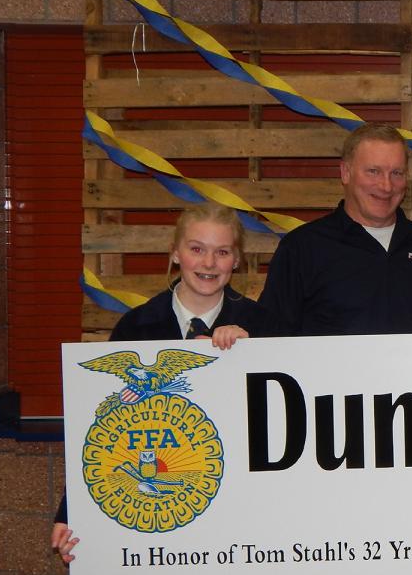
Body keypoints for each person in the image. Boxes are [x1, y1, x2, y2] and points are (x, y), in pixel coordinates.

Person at [52, 202, 284, 564]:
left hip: (241, 509)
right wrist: (73, 515)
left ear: (237, 260)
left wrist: (254, 354)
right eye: (197, 249)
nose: (209, 263)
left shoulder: (264, 327)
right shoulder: (135, 328)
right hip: (164, 505)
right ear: (176, 253)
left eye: (222, 252)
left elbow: (284, 428)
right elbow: (105, 428)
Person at [259, 124, 412, 335]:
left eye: (396, 173)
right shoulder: (302, 248)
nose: (386, 186)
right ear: (346, 173)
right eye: (374, 171)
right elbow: (269, 337)